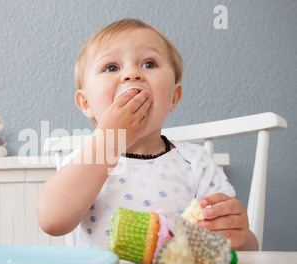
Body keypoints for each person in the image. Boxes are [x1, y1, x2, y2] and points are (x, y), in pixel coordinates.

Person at [36, 18, 258, 251]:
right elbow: (52, 221)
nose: (132, 74)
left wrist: (239, 236)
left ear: (174, 97)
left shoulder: (196, 163)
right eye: (111, 67)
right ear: (86, 103)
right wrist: (110, 140)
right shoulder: (84, 163)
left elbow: (246, 250)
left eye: (149, 64)